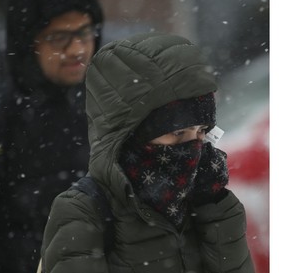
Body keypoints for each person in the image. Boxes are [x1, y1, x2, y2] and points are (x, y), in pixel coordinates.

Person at [40, 32, 255, 272]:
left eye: (202, 131)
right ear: (132, 136)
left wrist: (216, 210)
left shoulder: (201, 199)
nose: (196, 148)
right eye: (179, 133)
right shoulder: (84, 212)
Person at [0, 0, 104, 272]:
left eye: (85, 32)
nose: (77, 48)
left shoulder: (111, 104)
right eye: (59, 37)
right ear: (29, 43)